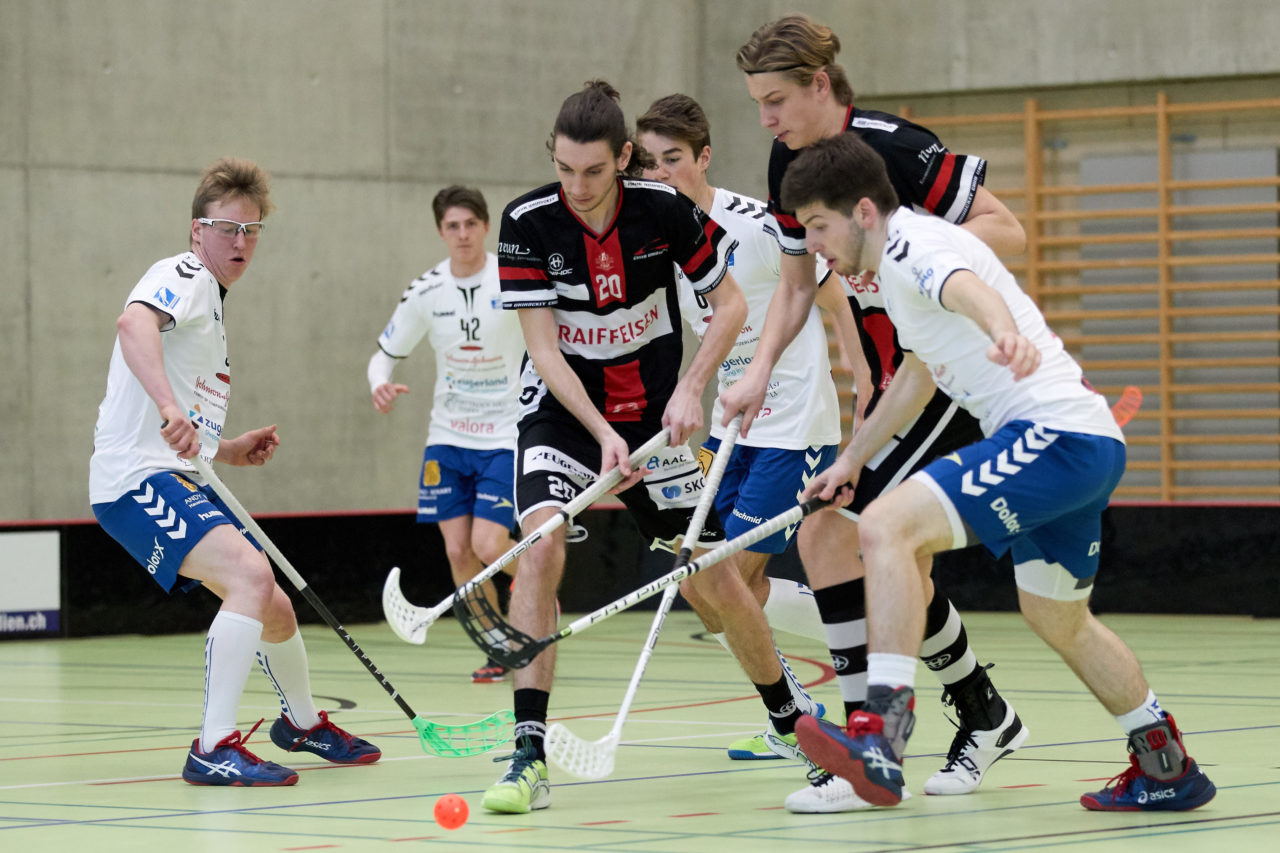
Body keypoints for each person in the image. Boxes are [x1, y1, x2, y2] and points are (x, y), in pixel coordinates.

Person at [784, 131, 1217, 813]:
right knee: (1057, 617)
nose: (813, 245)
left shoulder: (909, 247)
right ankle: (1165, 762)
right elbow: (918, 377)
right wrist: (851, 459)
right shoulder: (900, 273)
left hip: (1053, 437)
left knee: (886, 526)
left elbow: (964, 290)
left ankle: (881, 735)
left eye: (817, 226)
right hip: (1086, 444)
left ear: (863, 211)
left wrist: (1000, 328)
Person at [721, 14, 1027, 812]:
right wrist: (756, 372)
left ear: (821, 85)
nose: (769, 120)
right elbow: (796, 285)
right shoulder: (787, 160)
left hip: (951, 373)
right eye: (758, 104)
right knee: (891, 556)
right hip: (897, 385)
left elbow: (1006, 229)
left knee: (833, 528)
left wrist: (914, 261)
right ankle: (982, 715)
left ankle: (872, 749)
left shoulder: (896, 146)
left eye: (778, 100)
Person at [483, 80, 813, 815]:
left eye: (595, 172)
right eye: (565, 169)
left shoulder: (665, 211)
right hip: (565, 421)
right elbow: (544, 350)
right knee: (538, 548)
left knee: (715, 578)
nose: (578, 188)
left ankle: (793, 720)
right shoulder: (528, 222)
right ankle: (528, 753)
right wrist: (600, 433)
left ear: (624, 158)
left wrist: (692, 386)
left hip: (658, 422)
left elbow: (729, 306)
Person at [89, 157, 380, 786]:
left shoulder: (210, 305)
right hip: (133, 481)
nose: (240, 242)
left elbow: (179, 425)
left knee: (272, 603)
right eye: (227, 229)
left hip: (172, 471)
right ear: (198, 231)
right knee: (251, 573)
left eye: (252, 231)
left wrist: (228, 448)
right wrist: (171, 407)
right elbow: (132, 322)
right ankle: (212, 746)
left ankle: (300, 723)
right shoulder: (185, 274)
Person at [636, 93, 856, 763]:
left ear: (703, 157)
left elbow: (829, 290)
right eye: (648, 164)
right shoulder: (657, 240)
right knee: (704, 584)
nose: (661, 175)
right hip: (731, 427)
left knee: (729, 573)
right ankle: (797, 702)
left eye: (673, 159)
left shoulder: (755, 223)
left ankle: (866, 627)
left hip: (792, 419)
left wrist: (863, 383)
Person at [367, 185, 525, 683]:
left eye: (471, 224)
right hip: (448, 437)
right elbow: (385, 355)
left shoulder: (514, 278)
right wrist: (380, 384)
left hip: (504, 433)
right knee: (457, 551)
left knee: (488, 544)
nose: (462, 234)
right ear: (441, 231)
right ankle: (496, 645)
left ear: (485, 227)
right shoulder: (426, 291)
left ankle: (537, 587)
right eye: (452, 226)